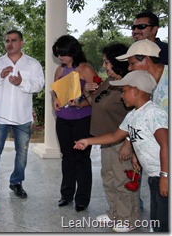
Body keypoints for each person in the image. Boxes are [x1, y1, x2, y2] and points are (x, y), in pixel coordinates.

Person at [74, 70, 168, 233]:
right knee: (157, 216)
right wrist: (88, 141)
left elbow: (166, 145)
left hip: (164, 173)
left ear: (135, 90)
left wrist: (165, 176)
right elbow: (114, 136)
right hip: (154, 175)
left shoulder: (154, 113)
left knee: (165, 218)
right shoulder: (132, 115)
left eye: (123, 91)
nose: (121, 96)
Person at [82, 42, 140, 231]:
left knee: (123, 180)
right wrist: (86, 94)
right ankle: (114, 213)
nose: (104, 66)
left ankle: (128, 219)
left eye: (107, 62)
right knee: (108, 177)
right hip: (106, 139)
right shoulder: (110, 81)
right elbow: (97, 105)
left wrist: (128, 143)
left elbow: (136, 117)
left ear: (117, 62)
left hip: (121, 141)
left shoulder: (130, 86)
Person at [0, 30, 44, 199]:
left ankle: (16, 182)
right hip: (0, 116)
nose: (10, 44)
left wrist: (21, 82)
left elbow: (39, 85)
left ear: (22, 42)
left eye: (14, 40)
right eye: (7, 41)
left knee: (22, 153)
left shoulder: (32, 64)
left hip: (22, 116)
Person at [51, 35, 98, 212]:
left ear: (73, 51)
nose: (60, 58)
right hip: (63, 119)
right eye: (58, 54)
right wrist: (55, 101)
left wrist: (82, 103)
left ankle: (82, 199)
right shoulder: (59, 70)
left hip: (82, 119)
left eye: (63, 54)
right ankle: (66, 194)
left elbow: (97, 96)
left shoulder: (85, 69)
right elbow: (55, 92)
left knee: (82, 159)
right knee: (67, 157)